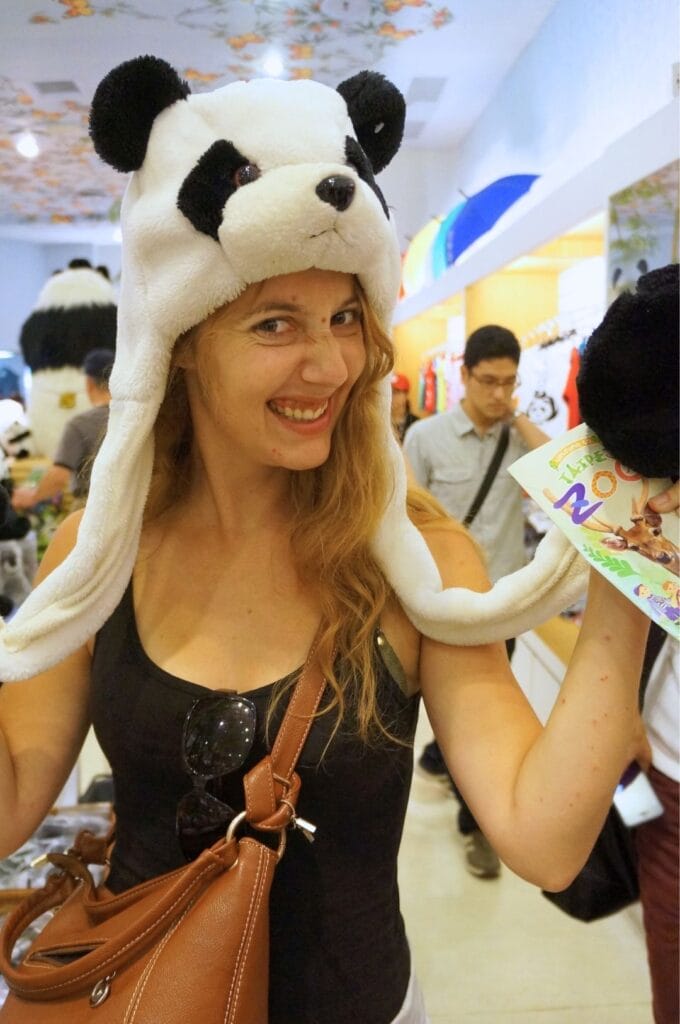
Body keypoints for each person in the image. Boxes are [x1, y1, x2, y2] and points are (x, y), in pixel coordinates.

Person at [0, 56, 657, 1024]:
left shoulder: (417, 562)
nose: (331, 362)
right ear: (181, 342)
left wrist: (627, 547)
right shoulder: (98, 557)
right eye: (275, 323)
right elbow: (14, 798)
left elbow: (542, 839)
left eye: (347, 317)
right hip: (137, 995)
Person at [404, 325, 549, 878]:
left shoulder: (519, 438)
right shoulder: (427, 437)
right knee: (443, 702)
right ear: (463, 376)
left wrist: (522, 420)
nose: (498, 393)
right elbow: (410, 517)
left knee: (484, 718)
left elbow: (569, 475)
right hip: (441, 602)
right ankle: (439, 756)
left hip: (506, 602)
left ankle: (474, 825)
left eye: (509, 382)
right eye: (488, 381)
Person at [12, 349, 113, 511]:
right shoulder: (132, 419)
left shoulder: (79, 424)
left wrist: (32, 496)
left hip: (89, 508)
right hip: (131, 506)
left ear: (88, 383)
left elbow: (59, 476)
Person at [391, 371, 419, 443]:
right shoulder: (379, 422)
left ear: (406, 395)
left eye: (395, 392)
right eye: (389, 392)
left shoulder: (415, 423)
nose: (391, 397)